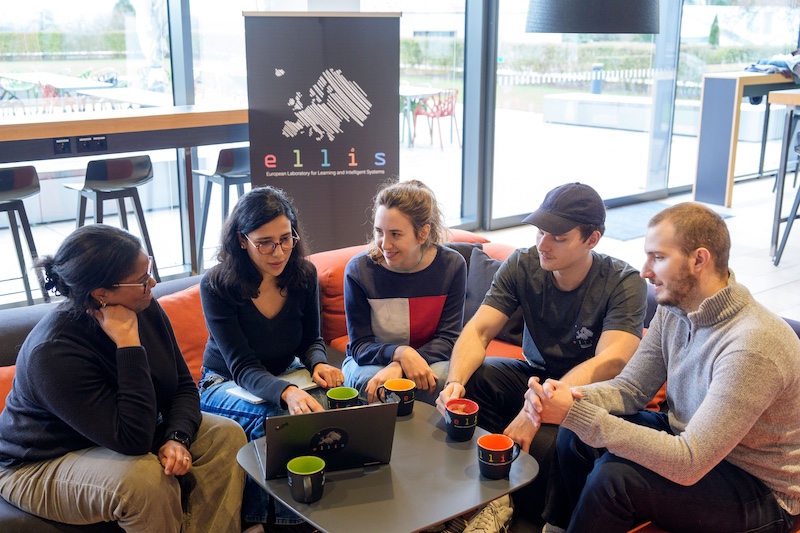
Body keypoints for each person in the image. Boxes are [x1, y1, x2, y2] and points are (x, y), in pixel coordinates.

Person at [525, 202, 800, 533]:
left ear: (699, 259)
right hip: (691, 440)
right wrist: (568, 396)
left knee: (616, 478)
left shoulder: (752, 345)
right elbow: (632, 389)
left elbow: (689, 461)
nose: (645, 271)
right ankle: (562, 525)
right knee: (575, 431)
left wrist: (579, 413)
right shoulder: (676, 308)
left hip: (759, 488)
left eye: (658, 257)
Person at [0, 224, 246, 533]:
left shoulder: (144, 306)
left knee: (225, 435)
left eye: (149, 271)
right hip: (37, 462)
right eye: (142, 281)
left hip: (112, 435)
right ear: (101, 293)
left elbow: (183, 387)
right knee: (144, 481)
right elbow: (133, 440)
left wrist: (176, 438)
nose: (153, 284)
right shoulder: (53, 353)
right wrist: (128, 344)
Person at [436, 182, 647, 533]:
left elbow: (612, 361)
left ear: (592, 239)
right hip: (535, 374)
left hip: (590, 393)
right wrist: (454, 382)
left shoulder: (623, 282)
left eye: (558, 237)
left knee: (557, 441)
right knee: (475, 379)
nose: (543, 244)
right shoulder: (523, 263)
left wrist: (535, 410)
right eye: (540, 231)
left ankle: (545, 523)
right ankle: (480, 497)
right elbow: (478, 331)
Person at [197, 185, 344, 528]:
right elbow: (242, 366)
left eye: (285, 238)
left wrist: (319, 362)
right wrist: (286, 391)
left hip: (284, 370)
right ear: (242, 239)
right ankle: (261, 521)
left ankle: (327, 504)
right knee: (278, 416)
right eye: (264, 242)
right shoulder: (218, 286)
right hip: (225, 381)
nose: (278, 252)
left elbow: (311, 340)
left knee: (331, 400)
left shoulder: (303, 274)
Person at [342, 179, 467, 405]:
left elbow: (449, 339)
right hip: (373, 360)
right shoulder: (359, 270)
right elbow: (360, 345)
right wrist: (400, 353)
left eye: (396, 234)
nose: (384, 244)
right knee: (375, 383)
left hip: (429, 358)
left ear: (422, 234)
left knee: (442, 379)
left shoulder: (451, 266)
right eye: (379, 231)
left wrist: (401, 362)